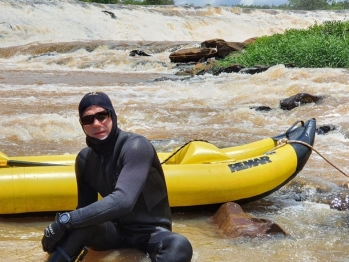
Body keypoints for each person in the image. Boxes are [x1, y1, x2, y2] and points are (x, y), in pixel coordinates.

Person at [41, 91, 193, 262]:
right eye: (88, 119)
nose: (96, 124)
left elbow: (124, 201)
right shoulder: (85, 159)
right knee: (78, 228)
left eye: (102, 115)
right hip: (115, 232)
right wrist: (60, 235)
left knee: (180, 245)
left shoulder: (135, 146)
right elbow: (85, 210)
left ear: (112, 116)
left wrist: (64, 221)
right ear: (82, 124)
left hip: (151, 233)